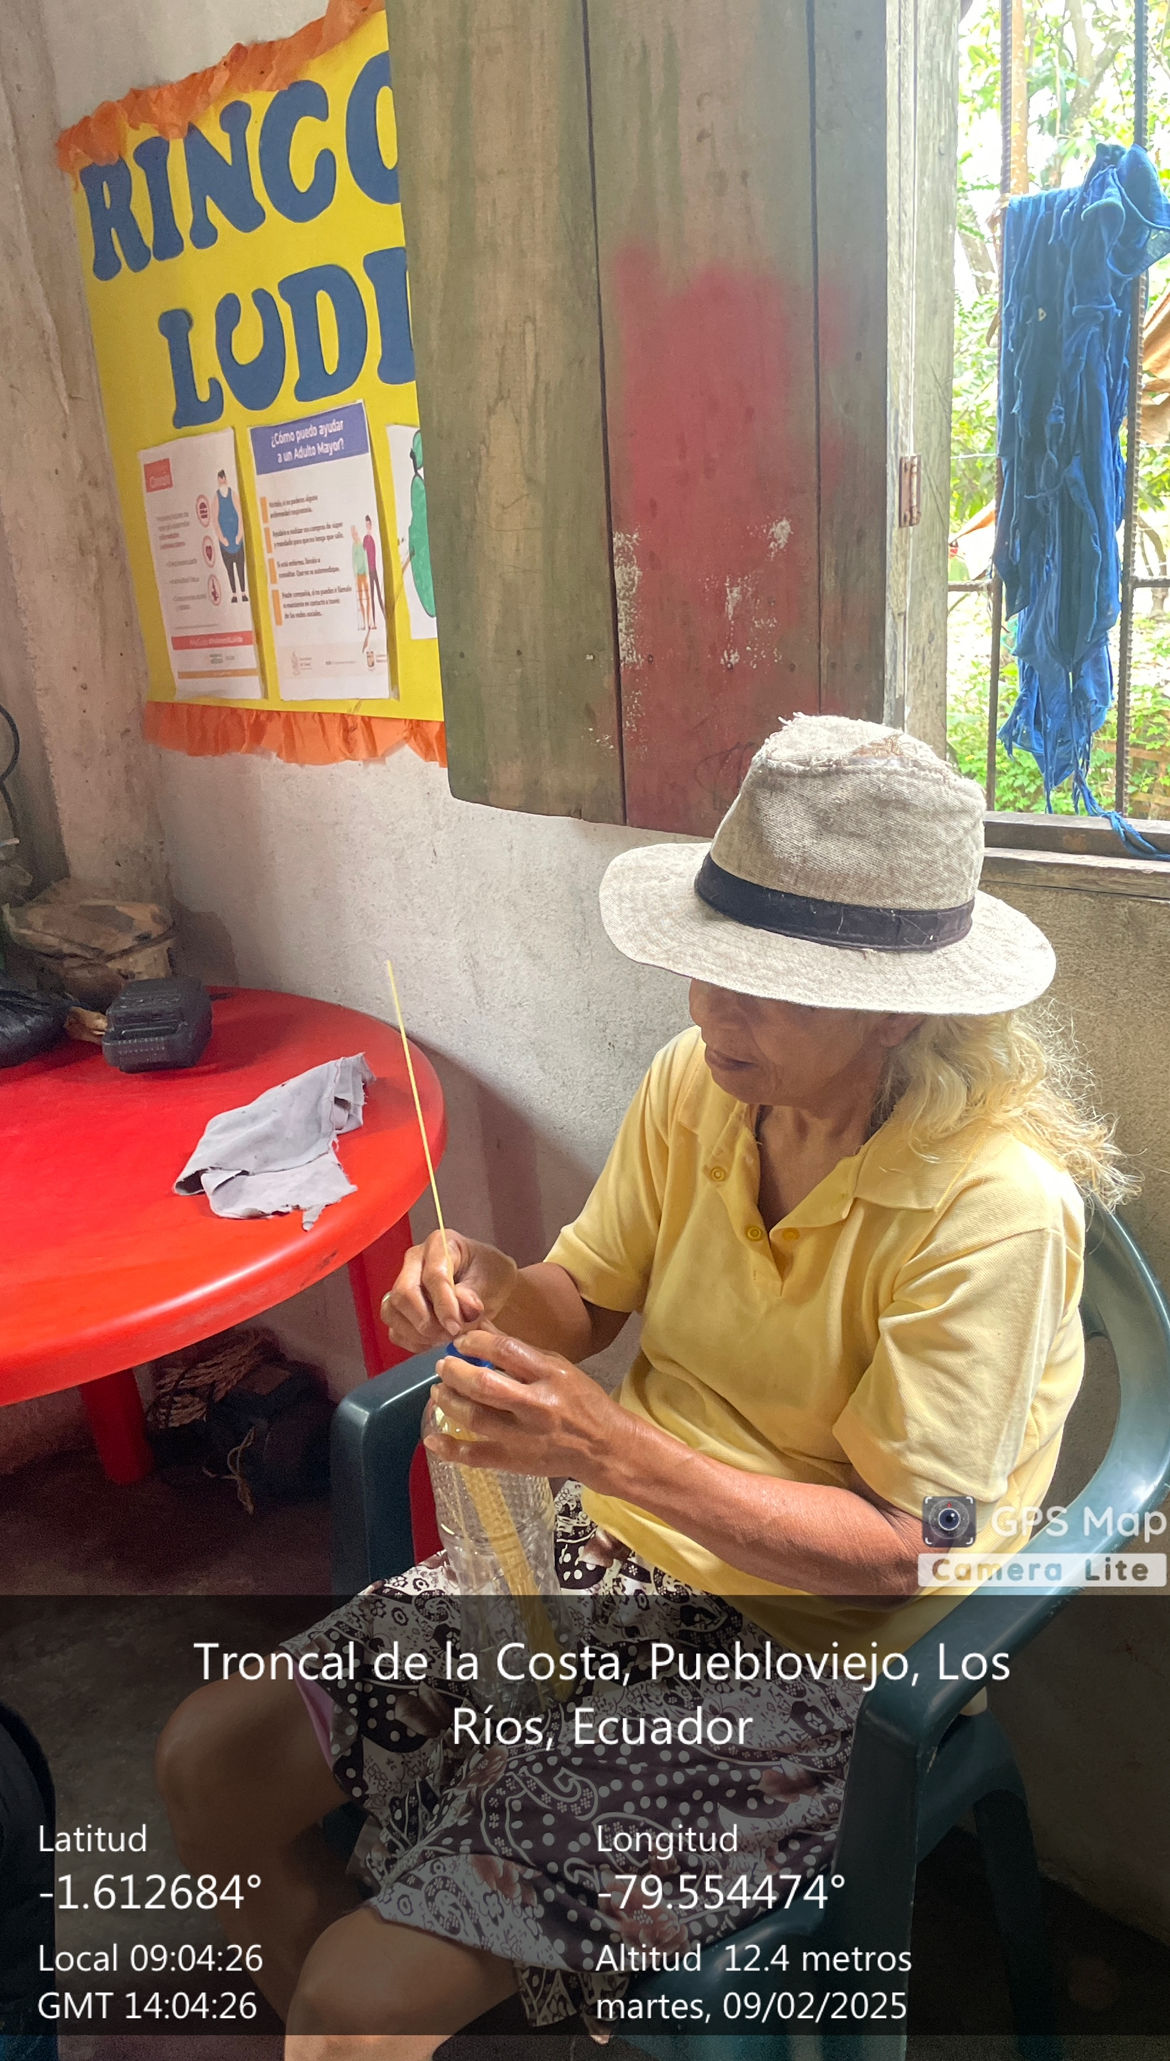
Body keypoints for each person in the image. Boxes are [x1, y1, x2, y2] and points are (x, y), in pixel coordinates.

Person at [157, 716, 1127, 2059]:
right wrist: (489, 1285)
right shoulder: (701, 1091)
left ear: (902, 1007)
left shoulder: (992, 1209)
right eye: (708, 969)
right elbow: (586, 1299)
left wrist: (613, 1452)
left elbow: (913, 1545)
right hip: (615, 1554)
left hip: (818, 1658)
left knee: (357, 1999)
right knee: (209, 1761)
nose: (711, 1014)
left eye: (769, 989)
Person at [214, 470, 247, 602]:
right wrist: (221, 538)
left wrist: (240, 534)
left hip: (236, 538)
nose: (222, 482)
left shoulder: (233, 494)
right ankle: (234, 594)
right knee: (229, 569)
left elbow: (240, 514)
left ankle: (243, 592)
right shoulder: (216, 498)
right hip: (225, 542)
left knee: (240, 567)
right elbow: (214, 520)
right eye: (220, 480)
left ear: (226, 480)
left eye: (224, 480)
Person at [363, 517, 385, 625]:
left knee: (379, 594)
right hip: (369, 571)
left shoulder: (372, 539)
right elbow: (363, 554)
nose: (368, 526)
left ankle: (384, 615)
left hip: (374, 569)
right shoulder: (366, 540)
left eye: (369, 524)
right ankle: (374, 621)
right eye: (366, 524)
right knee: (372, 595)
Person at [351, 525, 372, 633]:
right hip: (359, 575)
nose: (355, 536)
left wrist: (367, 573)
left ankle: (369, 622)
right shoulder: (354, 547)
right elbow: (353, 561)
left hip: (364, 574)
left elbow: (365, 558)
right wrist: (355, 575)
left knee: (368, 598)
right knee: (361, 599)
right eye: (353, 534)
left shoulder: (361, 544)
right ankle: (364, 622)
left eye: (355, 533)